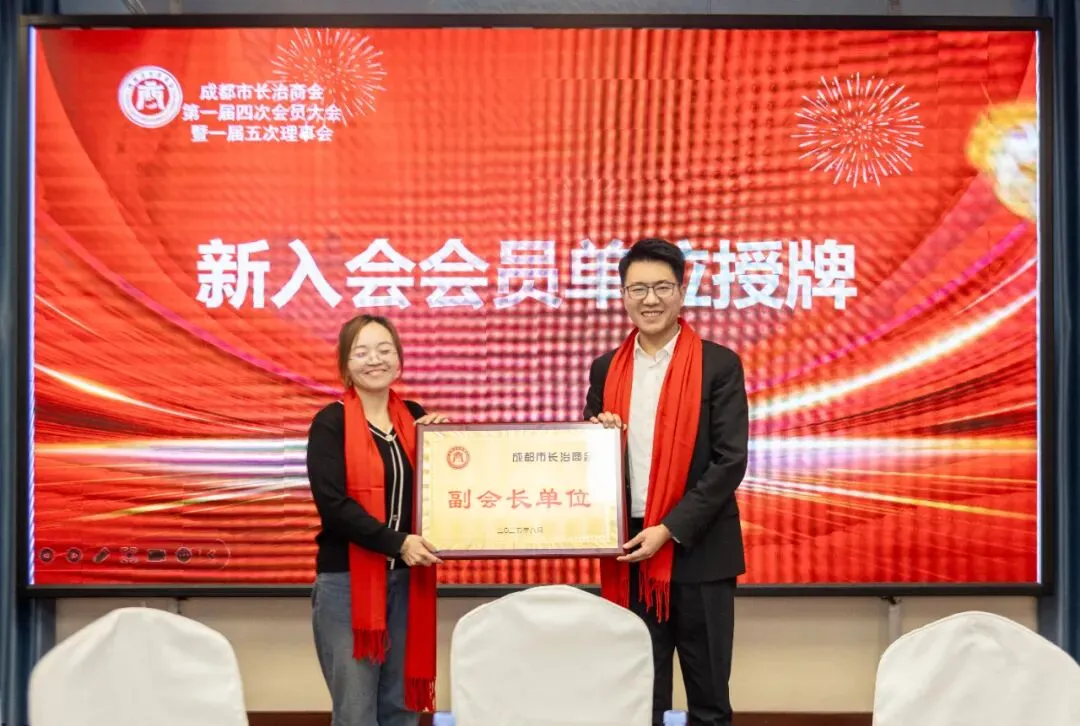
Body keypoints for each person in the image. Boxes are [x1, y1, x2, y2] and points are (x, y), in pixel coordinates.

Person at [583, 238, 749, 726]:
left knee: (709, 702)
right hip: (631, 551)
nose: (650, 299)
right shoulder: (605, 369)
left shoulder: (719, 364)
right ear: (623, 295)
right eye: (638, 289)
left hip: (701, 551)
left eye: (661, 287)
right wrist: (596, 435)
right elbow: (588, 458)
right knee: (639, 698)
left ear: (681, 292)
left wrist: (670, 528)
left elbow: (729, 461)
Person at [306, 314, 448, 726]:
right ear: (345, 363)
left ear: (399, 359)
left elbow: (439, 494)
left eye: (385, 350)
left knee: (401, 707)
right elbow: (334, 505)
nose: (375, 360)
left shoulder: (416, 418)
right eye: (362, 352)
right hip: (346, 584)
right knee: (356, 711)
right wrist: (398, 543)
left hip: (408, 581)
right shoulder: (330, 422)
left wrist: (445, 445)